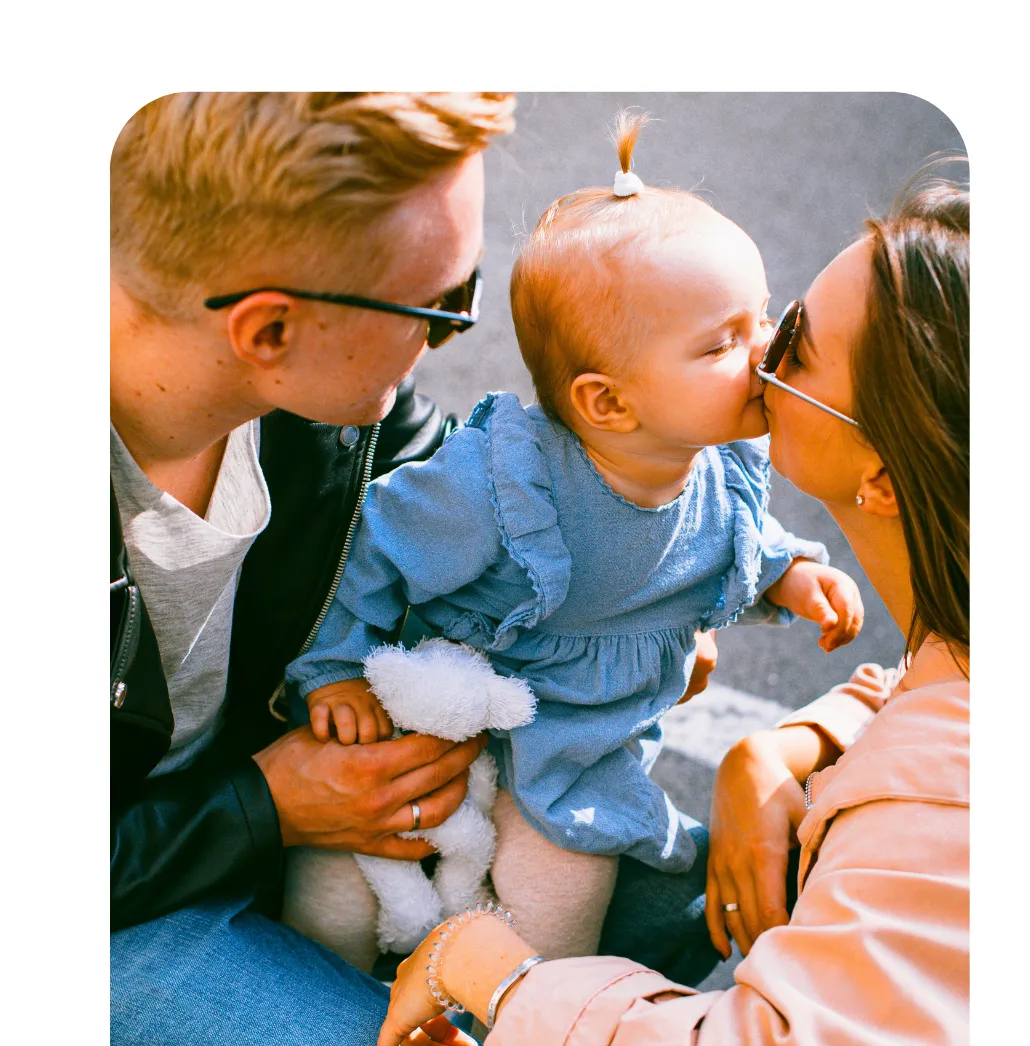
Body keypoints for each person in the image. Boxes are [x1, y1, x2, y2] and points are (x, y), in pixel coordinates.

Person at [109, 91, 722, 1046]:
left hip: (307, 820)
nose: (458, 334)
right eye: (440, 304)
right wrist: (264, 808)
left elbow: (491, 504)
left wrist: (635, 602)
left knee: (704, 937)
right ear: (270, 331)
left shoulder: (335, 413)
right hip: (126, 906)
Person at [382, 169, 971, 1046]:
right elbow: (928, 709)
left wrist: (481, 961)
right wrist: (784, 746)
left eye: (792, 340)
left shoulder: (944, 801)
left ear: (884, 476)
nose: (760, 357)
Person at [282, 113, 863, 966]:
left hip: (579, 750)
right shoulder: (501, 481)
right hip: (445, 710)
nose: (766, 350)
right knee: (343, 889)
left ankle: (515, 1024)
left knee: (562, 899)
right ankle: (312, 996)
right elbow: (375, 546)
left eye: (764, 317)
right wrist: (335, 670)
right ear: (609, 403)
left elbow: (740, 539)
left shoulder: (723, 465)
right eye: (723, 343)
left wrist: (790, 576)